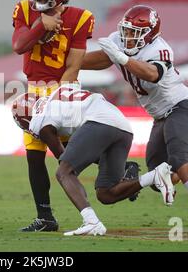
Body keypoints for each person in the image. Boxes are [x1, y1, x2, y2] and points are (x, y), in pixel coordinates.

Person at [82, 5, 188, 232]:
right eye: (127, 31)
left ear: (150, 33)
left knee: (179, 162)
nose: (128, 37)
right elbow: (103, 60)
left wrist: (121, 58)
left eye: (135, 32)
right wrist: (68, 61)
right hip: (160, 116)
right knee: (161, 176)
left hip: (181, 107)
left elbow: (152, 74)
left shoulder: (160, 50)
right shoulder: (120, 42)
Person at [11, 85, 174, 236]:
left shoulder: (39, 119)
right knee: (106, 193)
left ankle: (91, 221)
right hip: (123, 126)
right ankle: (154, 176)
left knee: (63, 172)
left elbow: (63, 158)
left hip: (98, 122)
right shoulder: (60, 93)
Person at [12, 0, 95, 232]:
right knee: (34, 157)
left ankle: (121, 169)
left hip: (64, 89)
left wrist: (60, 98)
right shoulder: (25, 10)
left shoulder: (81, 18)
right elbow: (19, 45)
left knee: (75, 152)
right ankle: (45, 217)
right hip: (34, 89)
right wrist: (40, 25)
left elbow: (74, 65)